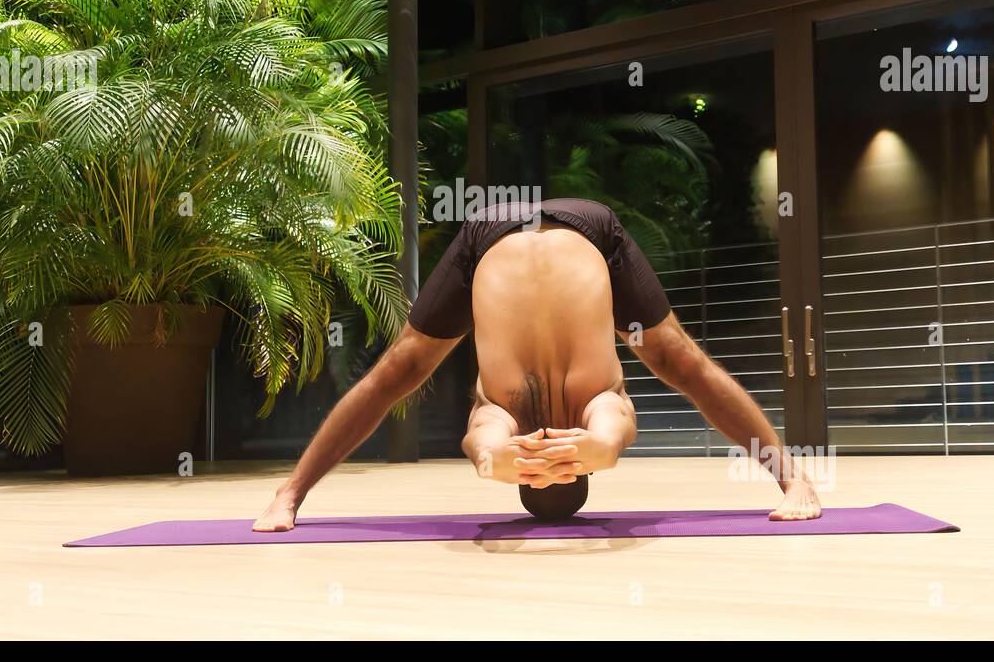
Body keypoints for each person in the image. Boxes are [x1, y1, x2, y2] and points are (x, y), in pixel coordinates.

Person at [253, 198, 822, 531]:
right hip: (587, 231)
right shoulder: (599, 413)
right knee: (681, 362)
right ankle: (792, 479)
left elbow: (480, 443)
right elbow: (612, 434)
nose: (551, 457)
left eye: (538, 471)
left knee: (395, 373)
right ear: (582, 472)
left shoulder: (500, 420)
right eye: (567, 468)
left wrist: (494, 462)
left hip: (492, 237)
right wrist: (599, 450)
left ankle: (291, 494)